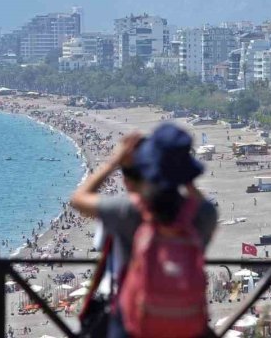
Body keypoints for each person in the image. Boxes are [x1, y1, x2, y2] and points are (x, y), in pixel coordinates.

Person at [70, 126, 217, 338]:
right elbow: (201, 204)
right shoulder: (203, 214)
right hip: (186, 322)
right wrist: (185, 176)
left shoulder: (130, 210)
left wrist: (113, 161)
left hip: (134, 320)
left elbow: (79, 199)